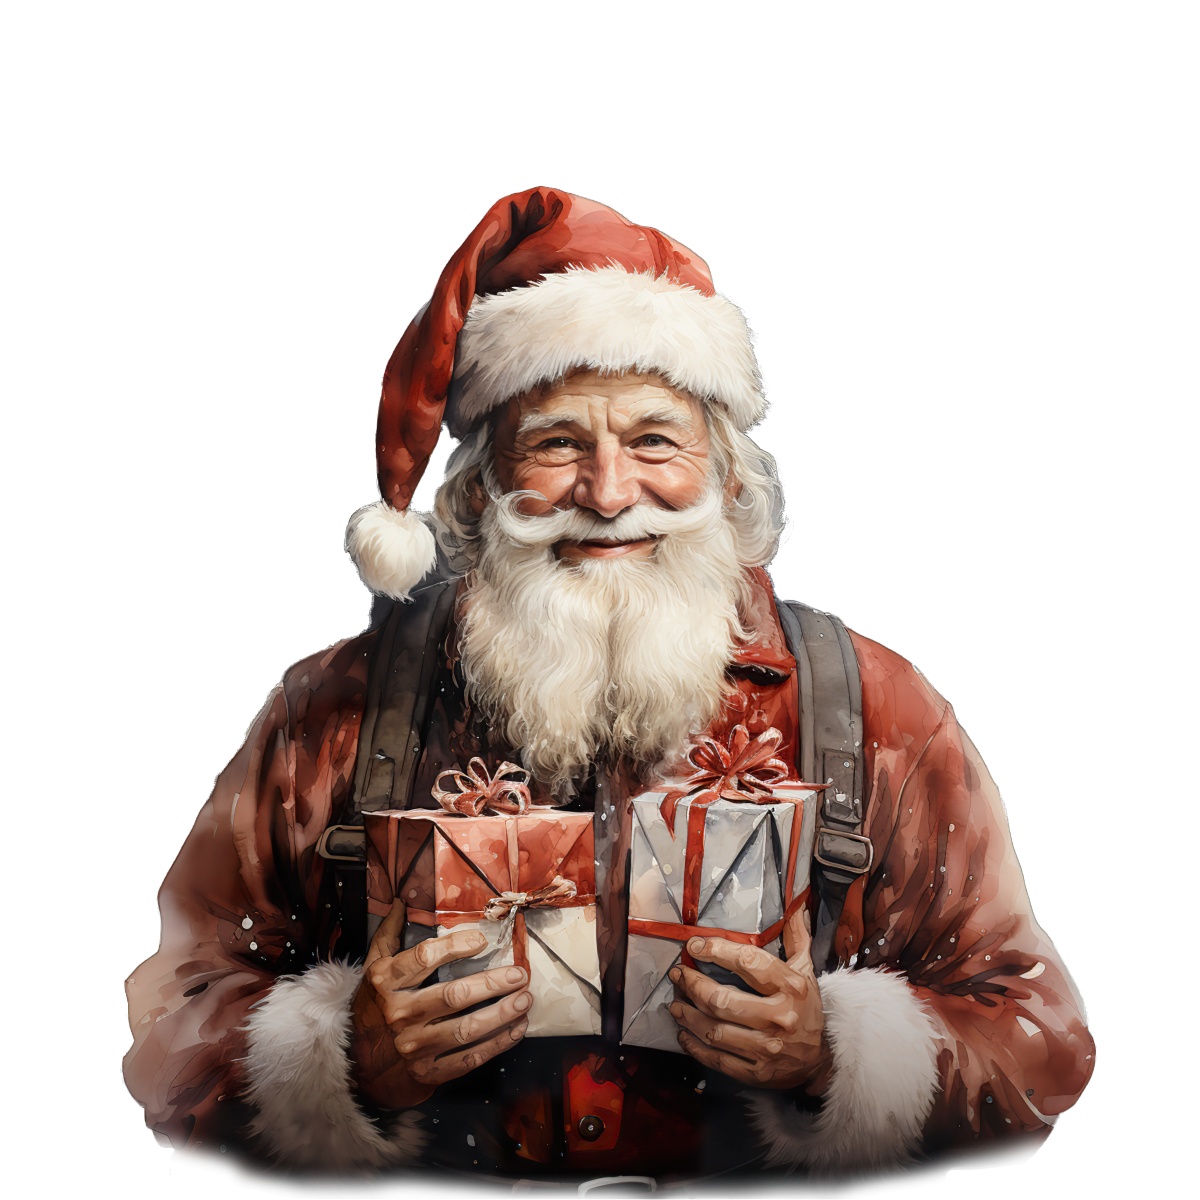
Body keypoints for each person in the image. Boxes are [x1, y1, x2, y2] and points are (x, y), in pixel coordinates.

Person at [124, 188, 1094, 1180]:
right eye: (555, 442)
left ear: (725, 469)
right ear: (482, 484)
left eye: (653, 439)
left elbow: (1036, 1036)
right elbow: (172, 1016)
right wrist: (342, 1060)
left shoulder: (873, 709)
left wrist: (835, 1056)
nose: (609, 490)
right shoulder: (333, 711)